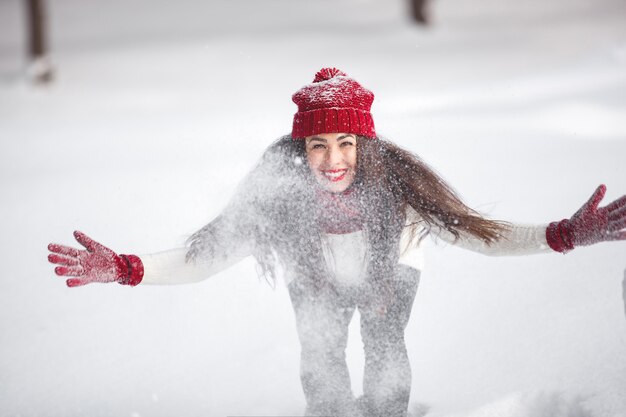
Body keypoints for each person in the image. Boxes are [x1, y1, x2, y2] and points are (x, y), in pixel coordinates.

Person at [48, 67, 626, 417]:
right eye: (318, 146)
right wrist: (125, 267)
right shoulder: (278, 191)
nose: (333, 160)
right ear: (301, 150)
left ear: (364, 145)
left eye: (346, 143)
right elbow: (205, 256)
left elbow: (481, 236)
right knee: (321, 359)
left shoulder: (398, 184)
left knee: (383, 350)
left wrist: (565, 233)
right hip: (315, 274)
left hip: (389, 272)